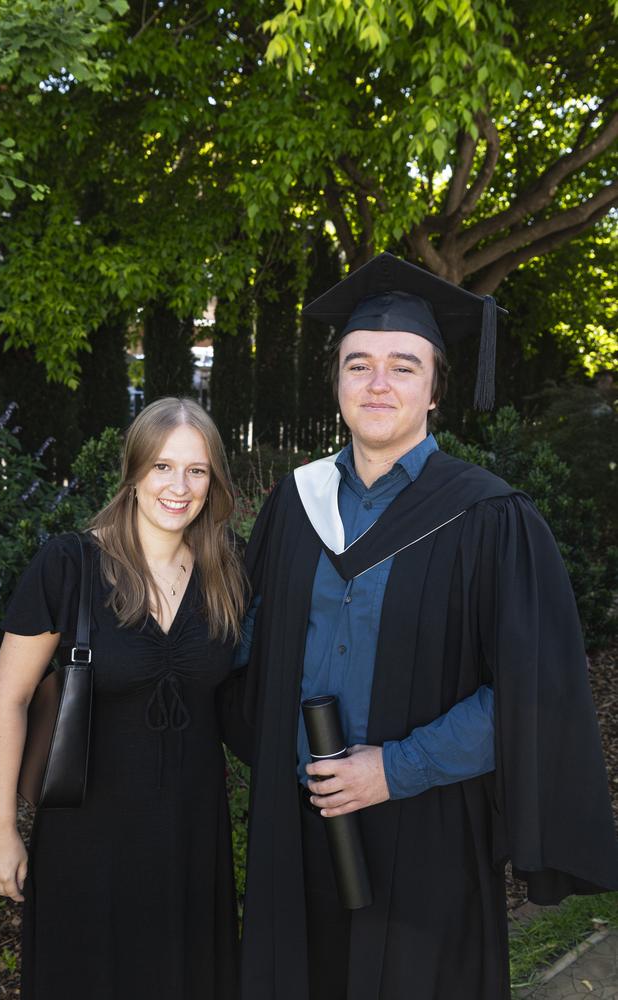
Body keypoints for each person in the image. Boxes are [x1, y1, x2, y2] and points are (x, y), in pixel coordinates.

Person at [238, 253, 618, 1000]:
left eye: (403, 366)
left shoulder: (490, 518)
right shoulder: (293, 506)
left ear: (437, 388)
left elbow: (532, 692)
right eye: (359, 363)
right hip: (297, 827)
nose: (378, 383)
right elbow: (246, 649)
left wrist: (392, 769)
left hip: (426, 827)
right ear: (338, 380)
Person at [0, 396, 246, 1000]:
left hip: (191, 834)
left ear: (214, 480)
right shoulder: (69, 565)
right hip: (88, 837)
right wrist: (1, 829)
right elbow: (9, 699)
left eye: (196, 470)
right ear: (133, 472)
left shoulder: (227, 572)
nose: (178, 486)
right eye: (162, 467)